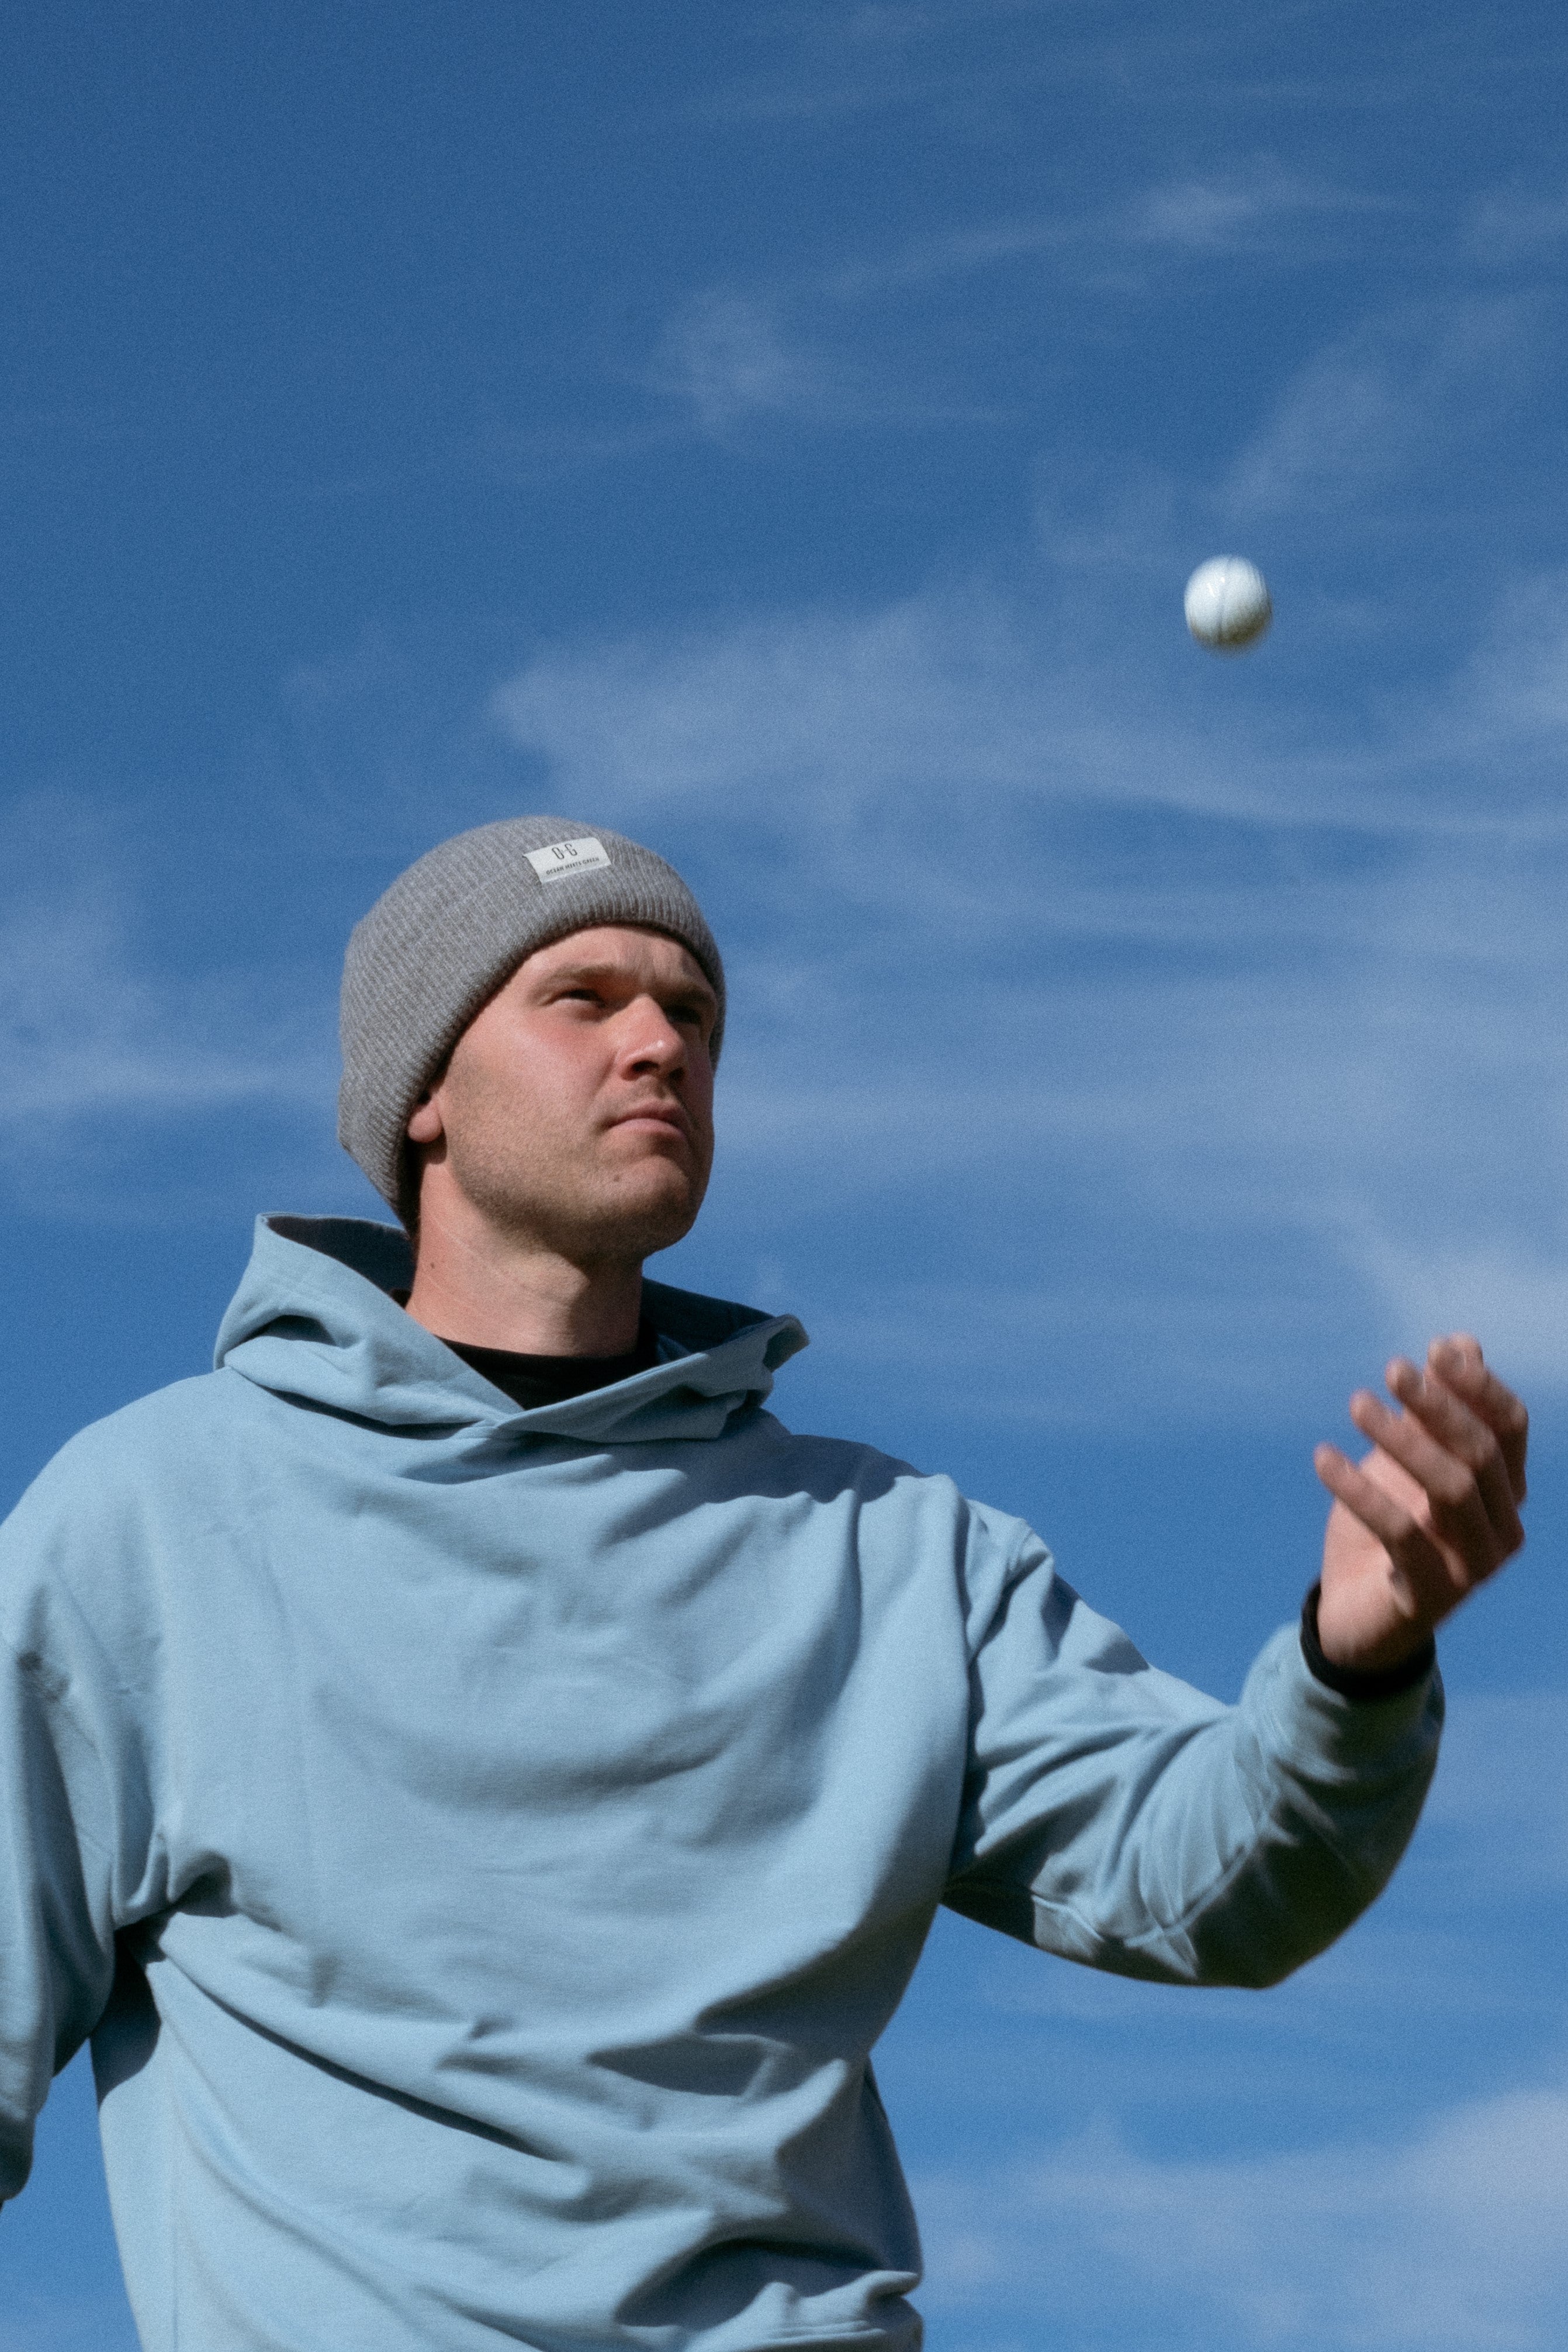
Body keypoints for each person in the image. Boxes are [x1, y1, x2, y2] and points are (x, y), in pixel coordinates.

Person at [0, 815, 1528, 2352]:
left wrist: (1356, 1660)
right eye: (583, 999)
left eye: (693, 1014)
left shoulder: (886, 1551)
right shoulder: (154, 1520)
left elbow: (1213, 1888)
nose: (659, 1043)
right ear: (424, 1100)